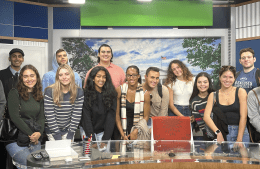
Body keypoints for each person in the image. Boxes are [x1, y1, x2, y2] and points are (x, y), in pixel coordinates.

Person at [83, 44, 125, 140]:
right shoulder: (91, 71)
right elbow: (88, 92)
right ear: (98, 54)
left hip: (114, 111)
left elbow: (124, 89)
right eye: (103, 52)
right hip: (95, 118)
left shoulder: (119, 71)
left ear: (111, 54)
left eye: (108, 52)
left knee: (113, 146)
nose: (105, 54)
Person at [6, 65, 45, 168]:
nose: (29, 79)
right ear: (21, 79)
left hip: (34, 138)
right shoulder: (14, 93)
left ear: (36, 77)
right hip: (15, 138)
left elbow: (41, 118)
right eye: (25, 76)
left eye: (32, 75)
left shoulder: (39, 95)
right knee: (29, 164)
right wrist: (32, 134)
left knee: (39, 165)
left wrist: (39, 134)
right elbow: (15, 117)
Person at [204, 66, 249, 143]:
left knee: (243, 155)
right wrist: (218, 132)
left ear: (234, 78)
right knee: (223, 155)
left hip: (241, 132)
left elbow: (243, 117)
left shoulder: (241, 92)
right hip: (222, 133)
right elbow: (206, 117)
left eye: (230, 77)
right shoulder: (213, 95)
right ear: (220, 77)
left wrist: (239, 139)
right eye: (224, 77)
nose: (227, 80)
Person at [44, 64, 84, 141]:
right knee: (57, 152)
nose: (64, 77)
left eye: (67, 74)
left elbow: (76, 115)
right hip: (52, 131)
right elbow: (49, 116)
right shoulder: (49, 91)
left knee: (68, 152)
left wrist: (70, 134)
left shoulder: (79, 92)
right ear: (57, 78)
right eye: (61, 75)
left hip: (69, 130)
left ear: (71, 75)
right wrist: (57, 136)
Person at [81, 66, 117, 150]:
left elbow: (111, 118)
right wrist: (92, 140)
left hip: (103, 132)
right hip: (88, 132)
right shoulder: (85, 94)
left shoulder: (111, 94)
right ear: (93, 78)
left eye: (104, 77)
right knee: (89, 159)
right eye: (98, 76)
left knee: (104, 159)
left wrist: (105, 139)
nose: (101, 79)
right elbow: (86, 118)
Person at [0, 48, 24, 169]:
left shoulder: (27, 75)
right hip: (6, 122)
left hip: (23, 121)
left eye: (19, 56)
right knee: (5, 156)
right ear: (9, 58)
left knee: (21, 155)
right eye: (14, 56)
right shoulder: (1, 75)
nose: (17, 58)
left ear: (23, 59)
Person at [115, 65, 150, 140]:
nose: (131, 78)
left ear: (138, 76)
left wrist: (135, 131)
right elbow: (117, 115)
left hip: (138, 131)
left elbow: (146, 116)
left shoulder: (145, 94)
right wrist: (122, 134)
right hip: (120, 130)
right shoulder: (119, 90)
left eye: (134, 75)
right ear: (126, 76)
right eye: (129, 75)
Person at [189, 72, 215, 140]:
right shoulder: (194, 102)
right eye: (199, 82)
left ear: (209, 83)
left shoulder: (215, 95)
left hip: (223, 131)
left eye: (205, 82)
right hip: (209, 135)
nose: (202, 84)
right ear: (196, 84)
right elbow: (201, 124)